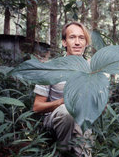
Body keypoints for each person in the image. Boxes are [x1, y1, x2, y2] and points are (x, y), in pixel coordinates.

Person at [32, 22, 92, 156]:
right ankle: (62, 151)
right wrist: (62, 102)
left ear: (86, 43)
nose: (77, 42)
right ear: (64, 42)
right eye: (72, 37)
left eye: (81, 38)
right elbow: (37, 107)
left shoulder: (92, 69)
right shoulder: (50, 68)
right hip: (55, 120)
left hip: (81, 120)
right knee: (67, 111)